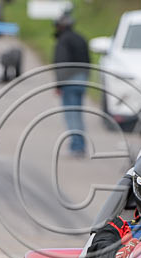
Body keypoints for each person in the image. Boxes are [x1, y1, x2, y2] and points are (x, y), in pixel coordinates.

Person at [52, 11, 89, 157]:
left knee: (71, 115)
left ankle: (76, 146)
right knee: (78, 114)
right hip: (82, 79)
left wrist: (59, 84)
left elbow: (61, 63)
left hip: (69, 80)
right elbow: (88, 61)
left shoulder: (63, 40)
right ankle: (80, 144)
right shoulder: (80, 38)